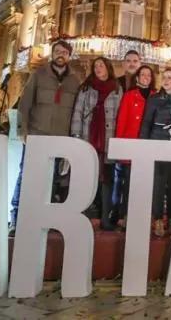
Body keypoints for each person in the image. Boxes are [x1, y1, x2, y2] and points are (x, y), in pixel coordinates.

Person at [11, 39, 81, 234]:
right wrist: (22, 131)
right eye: (57, 51)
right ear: (52, 53)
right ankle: (16, 218)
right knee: (26, 175)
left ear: (69, 56)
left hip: (60, 137)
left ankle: (44, 219)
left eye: (64, 52)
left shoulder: (75, 81)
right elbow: (24, 104)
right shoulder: (38, 75)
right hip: (37, 133)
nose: (61, 55)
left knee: (52, 179)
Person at [71, 56, 123, 230]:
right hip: (89, 137)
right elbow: (78, 112)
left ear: (108, 68)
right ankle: (85, 215)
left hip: (108, 141)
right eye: (96, 66)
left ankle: (105, 217)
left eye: (101, 65)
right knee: (87, 177)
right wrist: (76, 135)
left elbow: (120, 114)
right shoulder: (86, 88)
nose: (98, 68)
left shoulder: (116, 88)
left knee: (107, 179)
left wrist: (118, 139)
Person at [140, 67, 171, 237]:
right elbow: (146, 122)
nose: (167, 80)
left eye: (170, 77)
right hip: (158, 145)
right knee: (159, 184)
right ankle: (158, 219)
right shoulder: (154, 99)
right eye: (165, 77)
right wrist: (144, 145)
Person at [112, 64, 156, 223]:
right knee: (129, 182)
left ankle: (142, 216)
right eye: (142, 74)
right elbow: (122, 120)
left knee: (146, 183)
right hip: (131, 143)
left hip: (149, 144)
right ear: (137, 77)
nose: (145, 77)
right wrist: (120, 145)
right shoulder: (129, 95)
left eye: (148, 75)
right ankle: (124, 215)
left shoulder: (156, 96)